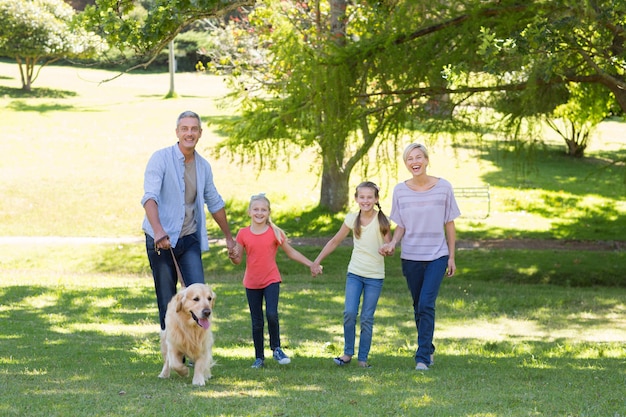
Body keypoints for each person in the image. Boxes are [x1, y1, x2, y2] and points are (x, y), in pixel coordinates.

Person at [141, 110, 237, 333]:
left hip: (189, 238)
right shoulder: (160, 158)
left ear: (200, 133)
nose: (189, 133)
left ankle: (195, 351)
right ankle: (173, 356)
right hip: (160, 240)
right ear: (177, 132)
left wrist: (229, 239)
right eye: (184, 129)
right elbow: (149, 197)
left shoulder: (203, 167)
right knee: (168, 300)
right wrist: (158, 231)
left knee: (199, 297)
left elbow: (215, 201)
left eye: (194, 129)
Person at [380, 143, 460, 371]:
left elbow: (450, 223)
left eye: (418, 157)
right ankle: (429, 347)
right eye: (409, 159)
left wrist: (452, 257)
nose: (414, 162)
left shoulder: (444, 187)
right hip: (411, 256)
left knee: (426, 303)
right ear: (406, 164)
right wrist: (393, 243)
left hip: (437, 254)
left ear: (426, 160)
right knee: (418, 305)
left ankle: (422, 356)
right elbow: (400, 225)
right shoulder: (400, 190)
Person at [311, 181, 392, 368]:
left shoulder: (382, 221)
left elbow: (391, 247)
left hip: (375, 277)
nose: (365, 201)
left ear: (376, 199)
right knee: (349, 312)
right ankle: (348, 353)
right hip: (355, 273)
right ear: (356, 199)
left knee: (366, 318)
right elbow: (334, 241)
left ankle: (362, 359)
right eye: (361, 197)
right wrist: (317, 260)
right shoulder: (351, 219)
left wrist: (387, 249)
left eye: (369, 197)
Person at [230, 193, 315, 368]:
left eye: (263, 210)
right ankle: (259, 357)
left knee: (271, 314)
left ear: (269, 213)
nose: (259, 213)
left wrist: (311, 264)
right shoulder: (243, 234)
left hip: (271, 279)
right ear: (249, 212)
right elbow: (237, 260)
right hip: (251, 282)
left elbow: (291, 252)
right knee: (257, 321)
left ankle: (276, 348)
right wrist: (232, 255)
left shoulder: (274, 233)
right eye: (256, 209)